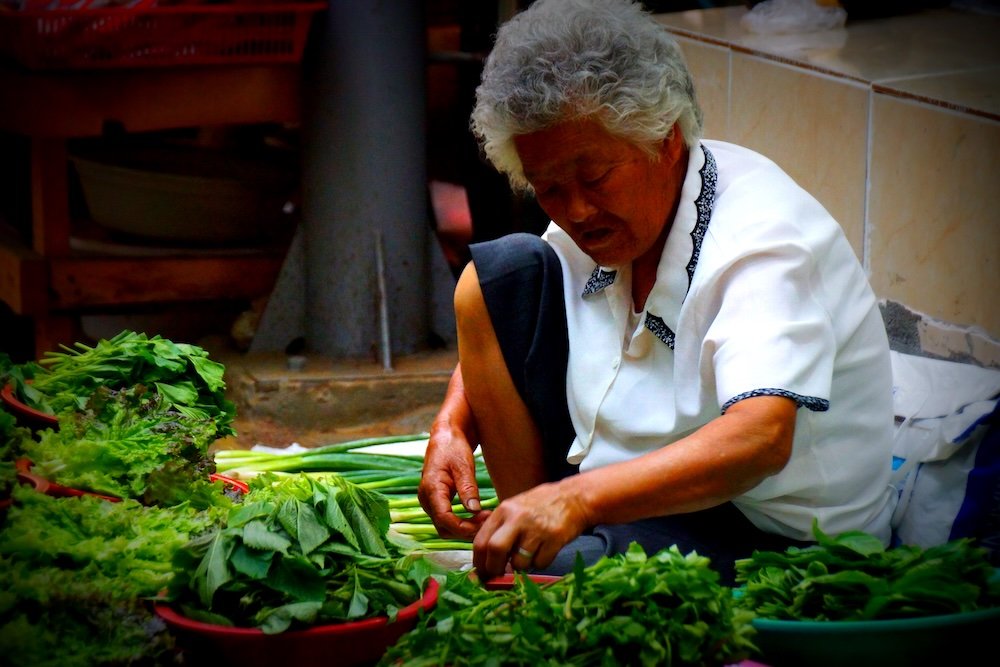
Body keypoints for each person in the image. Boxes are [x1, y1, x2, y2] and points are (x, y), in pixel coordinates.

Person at [417, 0, 898, 585]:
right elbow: (517, 309)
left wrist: (579, 501)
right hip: (632, 486)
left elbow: (761, 436)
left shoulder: (759, 239)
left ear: (665, 140)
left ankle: (542, 547)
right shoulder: (603, 217)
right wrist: (452, 426)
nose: (577, 211)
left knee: (547, 584)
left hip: (772, 535)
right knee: (494, 282)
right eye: (549, 189)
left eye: (594, 179)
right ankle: (530, 530)